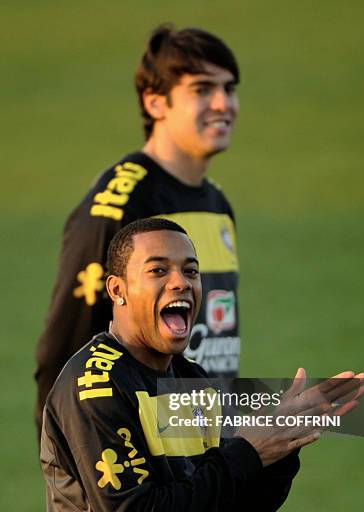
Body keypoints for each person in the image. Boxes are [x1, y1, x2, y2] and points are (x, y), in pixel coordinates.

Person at [41, 218, 364, 512]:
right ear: (118, 290)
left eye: (191, 271)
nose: (181, 282)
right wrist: (248, 451)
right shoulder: (95, 385)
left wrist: (280, 448)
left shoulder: (190, 378)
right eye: (159, 270)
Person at [35, 25, 241, 442]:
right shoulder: (119, 205)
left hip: (199, 452)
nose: (224, 104)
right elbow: (63, 354)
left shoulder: (217, 203)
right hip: (136, 470)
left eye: (229, 88)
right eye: (202, 89)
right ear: (155, 101)